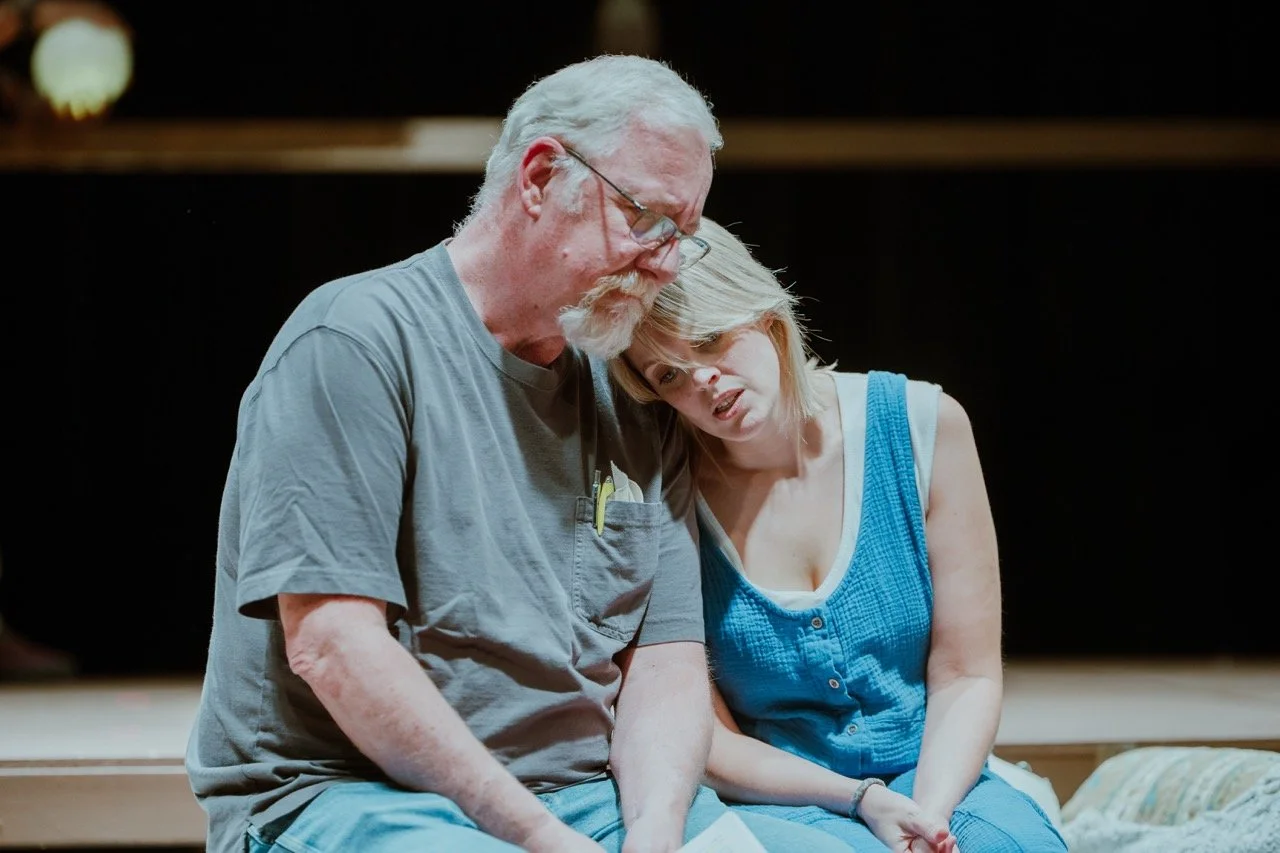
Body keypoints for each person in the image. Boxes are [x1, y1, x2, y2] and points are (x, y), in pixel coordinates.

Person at [185, 56, 857, 853]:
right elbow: (332, 644)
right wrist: (542, 838)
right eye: (648, 220)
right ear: (541, 176)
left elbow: (666, 664)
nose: (666, 262)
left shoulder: (636, 389)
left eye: (683, 236)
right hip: (356, 795)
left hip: (586, 798)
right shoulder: (356, 341)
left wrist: (654, 833)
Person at [609, 218, 1070, 852]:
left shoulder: (919, 423)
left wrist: (927, 820)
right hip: (782, 799)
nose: (703, 381)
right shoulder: (664, 486)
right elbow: (704, 739)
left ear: (767, 317)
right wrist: (860, 800)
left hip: (937, 777)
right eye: (668, 376)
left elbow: (967, 675)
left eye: (712, 340)